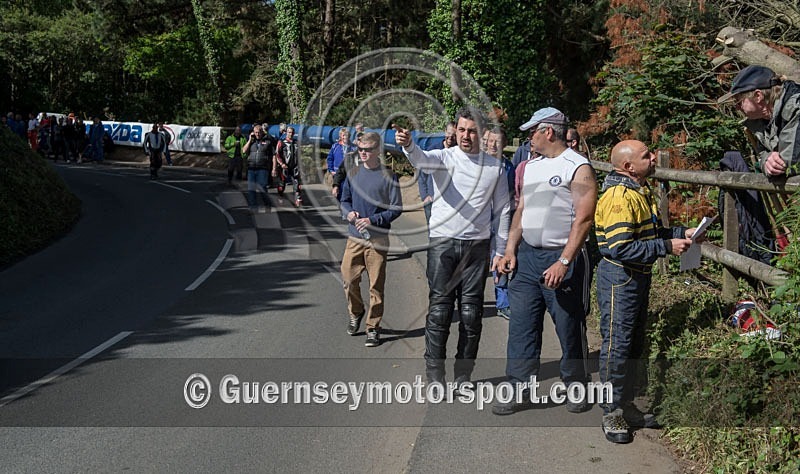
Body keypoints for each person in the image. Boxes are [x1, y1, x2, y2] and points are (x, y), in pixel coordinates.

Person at [395, 108, 511, 388]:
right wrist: (409, 144)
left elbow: (503, 209)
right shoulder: (443, 158)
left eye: (472, 131)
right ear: (455, 131)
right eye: (461, 130)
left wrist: (500, 250)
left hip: (476, 246)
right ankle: (435, 377)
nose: (466, 136)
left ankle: (463, 375)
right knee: (440, 311)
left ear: (481, 133)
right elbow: (420, 159)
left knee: (471, 315)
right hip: (443, 243)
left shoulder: (494, 167)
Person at [493, 107, 596, 416]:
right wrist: (510, 248)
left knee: (568, 325)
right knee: (522, 327)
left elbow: (584, 217)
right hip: (527, 259)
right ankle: (519, 388)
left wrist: (564, 261)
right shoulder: (531, 166)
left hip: (562, 259)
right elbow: (521, 211)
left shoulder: (578, 167)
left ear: (548, 132)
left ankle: (575, 384)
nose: (530, 138)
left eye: (533, 132)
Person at [594, 140, 697, 443]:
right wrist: (666, 247)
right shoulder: (619, 197)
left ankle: (626, 407)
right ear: (628, 167)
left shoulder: (639, 191)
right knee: (617, 345)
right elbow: (620, 246)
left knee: (634, 342)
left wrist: (680, 234)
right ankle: (611, 412)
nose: (653, 158)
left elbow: (648, 233)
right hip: (620, 278)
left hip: (637, 277)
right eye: (646, 156)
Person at [340, 132, 403, 347]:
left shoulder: (390, 177)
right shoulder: (353, 173)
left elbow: (396, 208)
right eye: (361, 149)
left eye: (368, 149)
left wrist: (373, 219)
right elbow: (344, 200)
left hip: (377, 239)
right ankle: (356, 312)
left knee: (376, 286)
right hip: (355, 238)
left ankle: (373, 328)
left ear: (378, 151)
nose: (363, 153)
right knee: (348, 279)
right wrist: (348, 213)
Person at [718, 65, 800, 176]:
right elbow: (763, 155)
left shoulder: (795, 107)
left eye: (739, 102)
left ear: (758, 96)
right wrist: (766, 161)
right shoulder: (762, 120)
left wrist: (772, 163)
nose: (737, 108)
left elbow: (790, 164)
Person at [486, 128, 515, 321]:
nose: (493, 145)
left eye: (498, 142)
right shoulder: (476, 163)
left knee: (500, 261)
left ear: (504, 145)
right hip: (478, 223)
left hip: (500, 221)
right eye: (490, 141)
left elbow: (513, 193)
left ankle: (502, 303)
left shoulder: (508, 168)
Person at [418, 122, 457, 225]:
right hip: (431, 199)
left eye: (454, 135)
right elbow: (421, 174)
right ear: (445, 132)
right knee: (433, 231)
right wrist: (425, 195)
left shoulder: (459, 152)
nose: (451, 137)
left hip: (451, 200)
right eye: (449, 133)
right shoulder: (433, 149)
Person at [243, 124, 276, 211]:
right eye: (256, 132)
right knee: (251, 189)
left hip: (263, 168)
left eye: (259, 132)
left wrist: (274, 168)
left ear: (262, 132)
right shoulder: (251, 141)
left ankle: (268, 205)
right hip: (251, 168)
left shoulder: (268, 141)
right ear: (253, 132)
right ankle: (253, 208)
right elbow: (244, 150)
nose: (257, 134)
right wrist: (250, 139)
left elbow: (273, 156)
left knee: (262, 188)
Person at [273, 126, 303, 206]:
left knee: (297, 183)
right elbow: (277, 154)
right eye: (289, 132)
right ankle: (280, 196)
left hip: (295, 166)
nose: (291, 134)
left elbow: (300, 154)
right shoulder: (281, 142)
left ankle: (298, 198)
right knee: (282, 184)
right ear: (286, 133)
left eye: (292, 133)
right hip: (284, 166)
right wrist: (282, 164)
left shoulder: (297, 142)